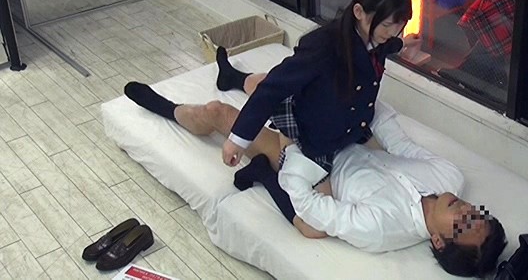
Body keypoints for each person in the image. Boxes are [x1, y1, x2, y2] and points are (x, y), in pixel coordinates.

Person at [123, 82, 507, 278]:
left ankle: (167, 108)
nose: (467, 210)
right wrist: (360, 101)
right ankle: (235, 76)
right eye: (478, 214)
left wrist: (292, 149)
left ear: (439, 241)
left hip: (315, 159)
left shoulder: (383, 228)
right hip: (353, 134)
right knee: (274, 84)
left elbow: (311, 208)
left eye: (464, 225)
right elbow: (396, 138)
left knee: (219, 112)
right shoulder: (449, 177)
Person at [220, 0, 413, 191]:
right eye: (387, 25)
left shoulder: (378, 37)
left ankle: (232, 77)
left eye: (399, 25)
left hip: (350, 124)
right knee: (306, 203)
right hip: (316, 135)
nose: (393, 32)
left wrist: (404, 45)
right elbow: (273, 88)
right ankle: (263, 172)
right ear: (359, 12)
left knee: (390, 167)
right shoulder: (324, 46)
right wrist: (237, 140)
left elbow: (386, 47)